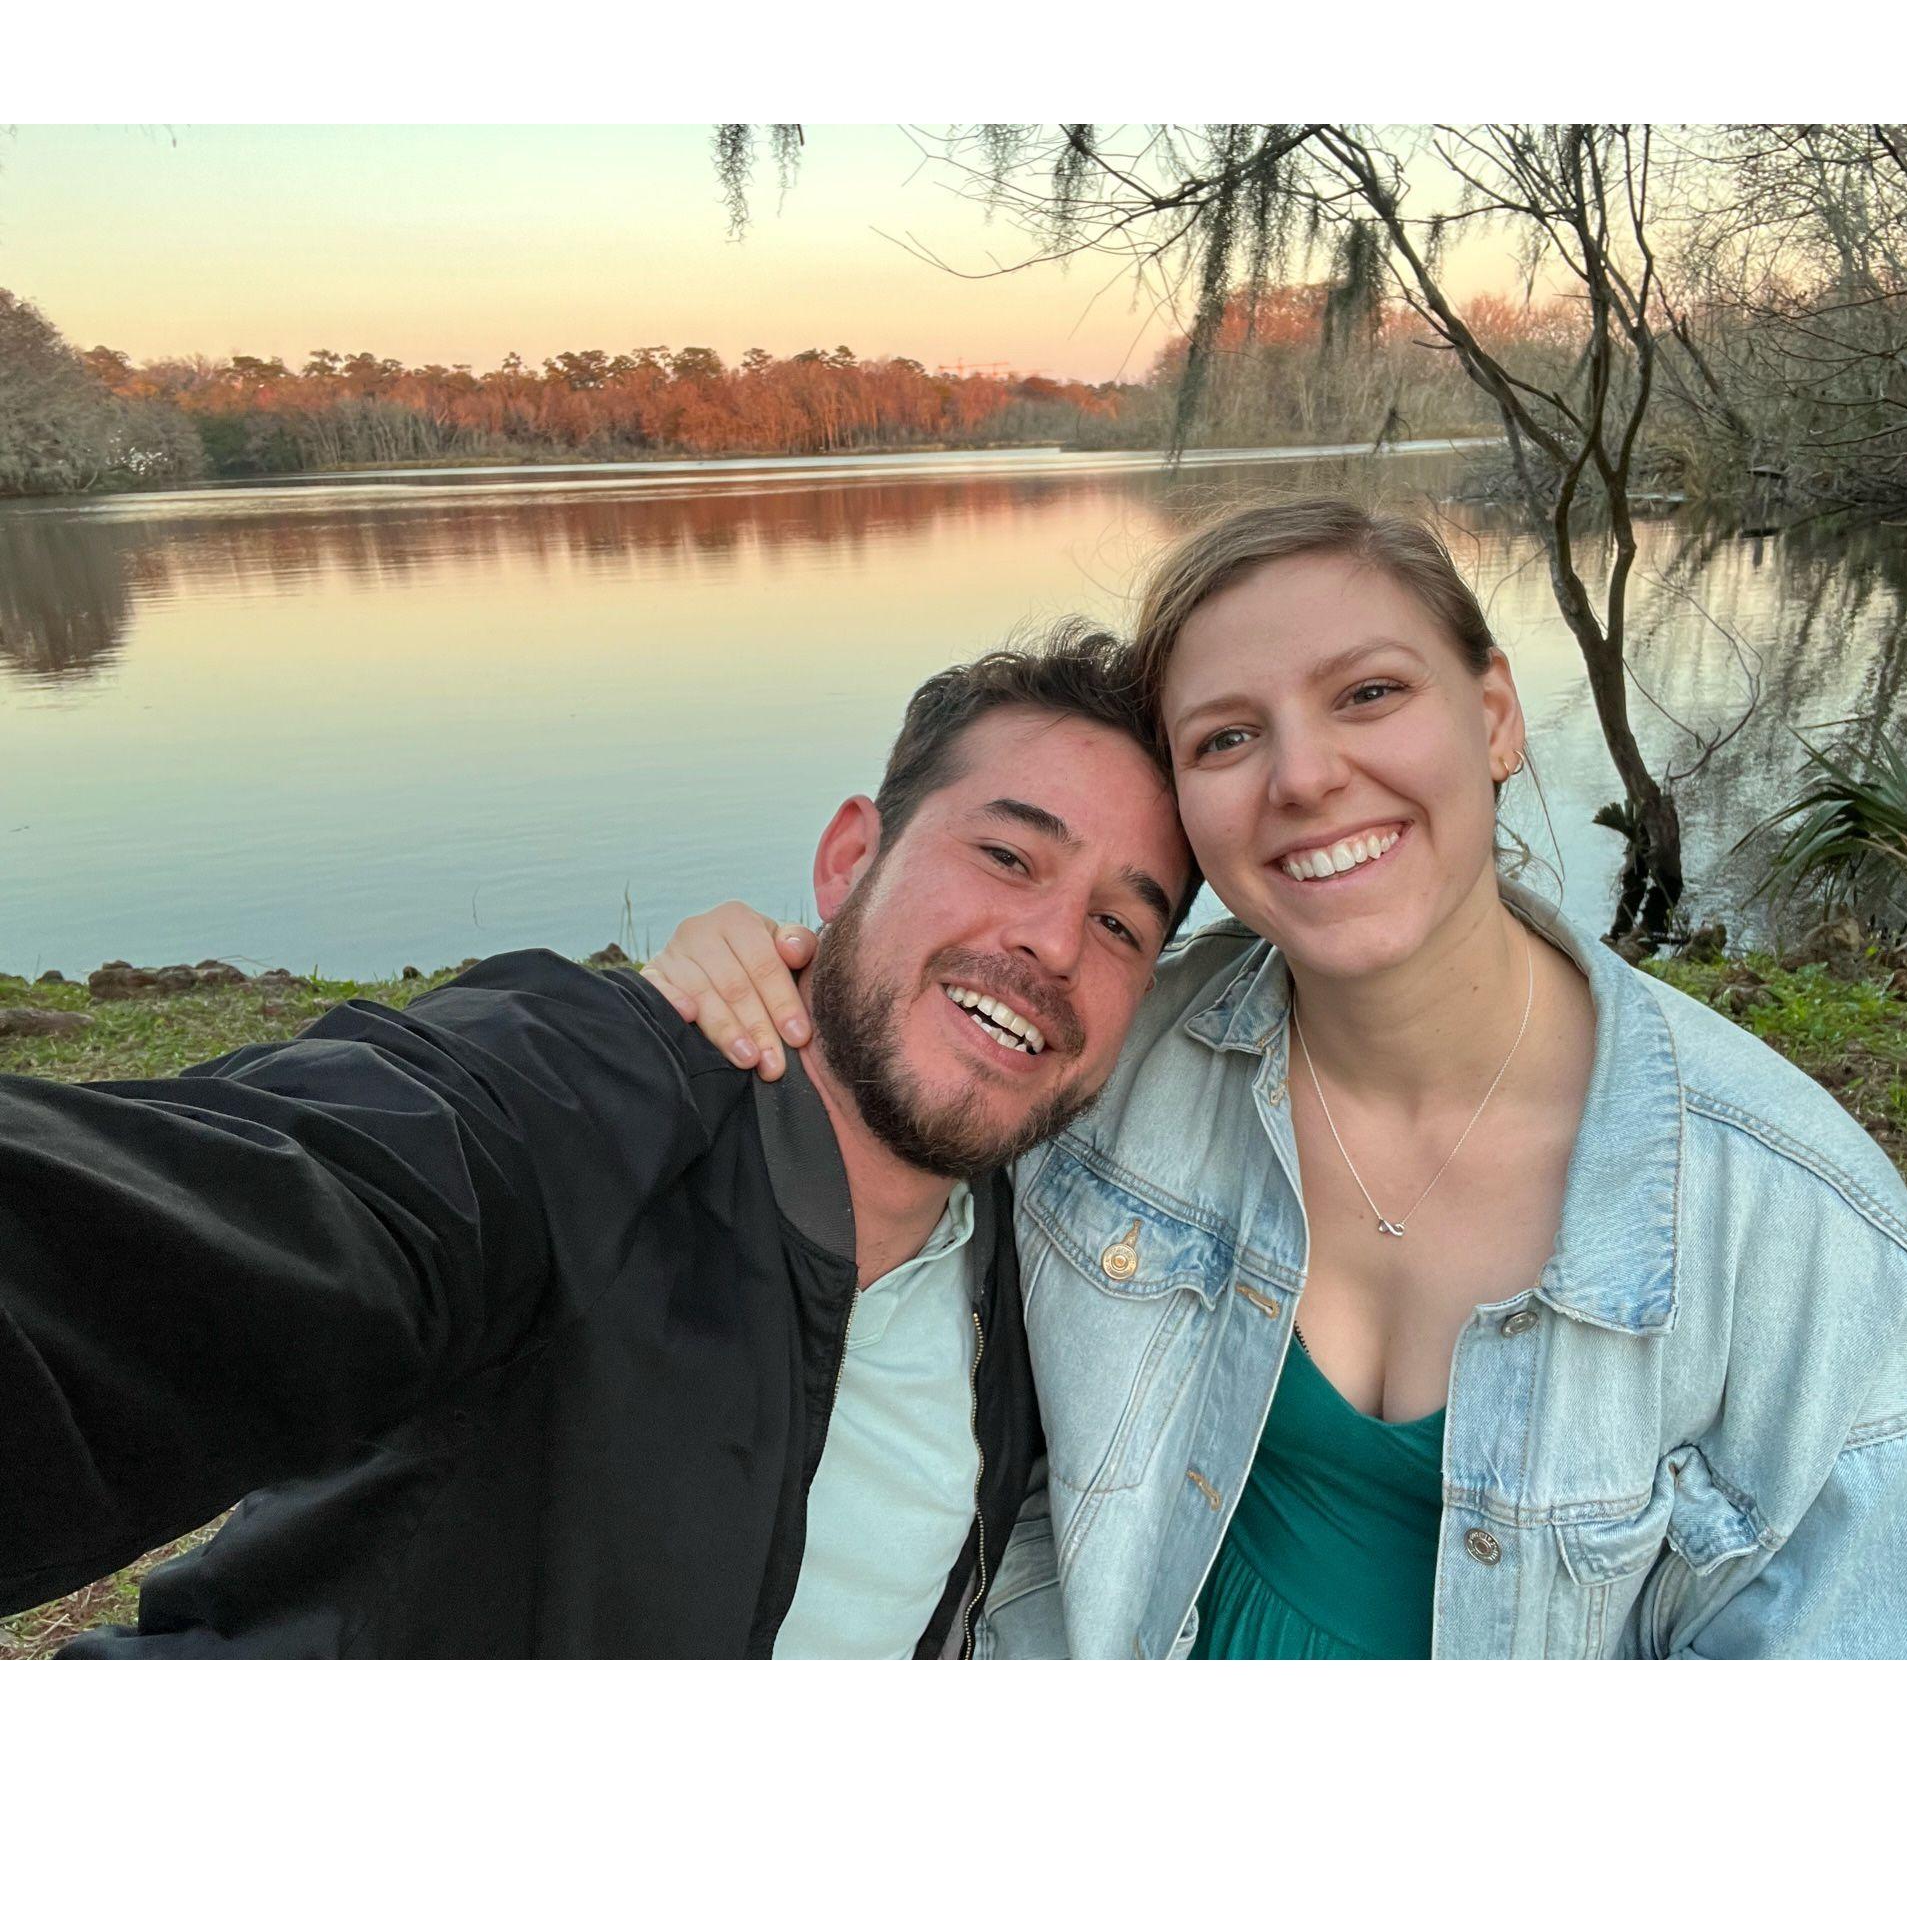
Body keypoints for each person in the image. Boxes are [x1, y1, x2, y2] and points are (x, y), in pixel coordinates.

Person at [650, 498, 1907, 1659]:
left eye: (1370, 694)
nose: (1304, 776)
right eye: (1225, 738)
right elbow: (899, 1075)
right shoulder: (1114, 1054)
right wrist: (750, 975)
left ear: (1495, 717)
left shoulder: (1804, 1237)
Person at [0, 626, 1194, 1657]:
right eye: (1006, 855)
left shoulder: (1055, 1267)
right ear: (849, 860)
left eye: (1120, 923)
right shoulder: (576, 1100)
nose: (1050, 943)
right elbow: (255, 1210)